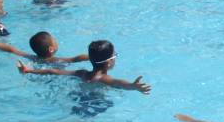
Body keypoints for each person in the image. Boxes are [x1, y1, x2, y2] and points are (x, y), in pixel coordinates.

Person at [17, 39, 151, 94]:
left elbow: (52, 71)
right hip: (96, 106)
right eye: (115, 55)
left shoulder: (81, 73)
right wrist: (133, 86)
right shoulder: (104, 78)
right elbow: (119, 83)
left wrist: (29, 71)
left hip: (78, 98)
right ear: (109, 62)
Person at [0, 30, 89, 64]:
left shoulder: (32, 58)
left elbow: (11, 49)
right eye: (54, 40)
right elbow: (75, 59)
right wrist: (92, 56)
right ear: (51, 49)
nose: (56, 41)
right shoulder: (56, 60)